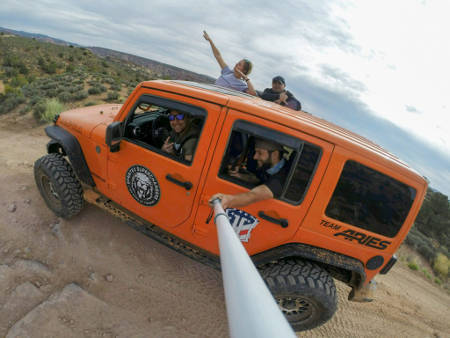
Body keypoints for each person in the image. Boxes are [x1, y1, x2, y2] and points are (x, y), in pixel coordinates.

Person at [209, 138, 289, 209]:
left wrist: (228, 200)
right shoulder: (268, 166)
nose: (255, 157)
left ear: (274, 154)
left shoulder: (282, 178)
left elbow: (254, 195)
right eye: (255, 152)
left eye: (260, 153)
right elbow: (258, 180)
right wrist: (240, 175)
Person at [203, 30, 257, 96]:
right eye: (237, 62)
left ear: (244, 70)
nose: (236, 64)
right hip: (209, 94)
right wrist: (210, 41)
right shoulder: (228, 72)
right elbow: (218, 56)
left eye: (239, 64)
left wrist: (245, 77)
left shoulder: (241, 85)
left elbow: (253, 94)